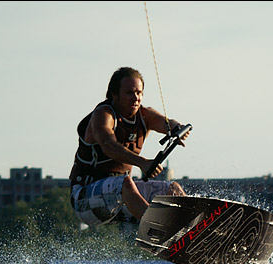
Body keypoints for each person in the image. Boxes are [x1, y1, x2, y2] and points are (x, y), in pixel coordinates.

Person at [69, 67, 189, 226]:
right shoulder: (103, 115)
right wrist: (142, 163)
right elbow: (108, 145)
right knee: (124, 182)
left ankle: (192, 230)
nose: (136, 98)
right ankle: (157, 226)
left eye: (139, 93)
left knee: (172, 189)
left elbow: (167, 122)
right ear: (114, 95)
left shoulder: (145, 115)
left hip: (121, 201)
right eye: (129, 93)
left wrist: (177, 128)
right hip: (86, 201)